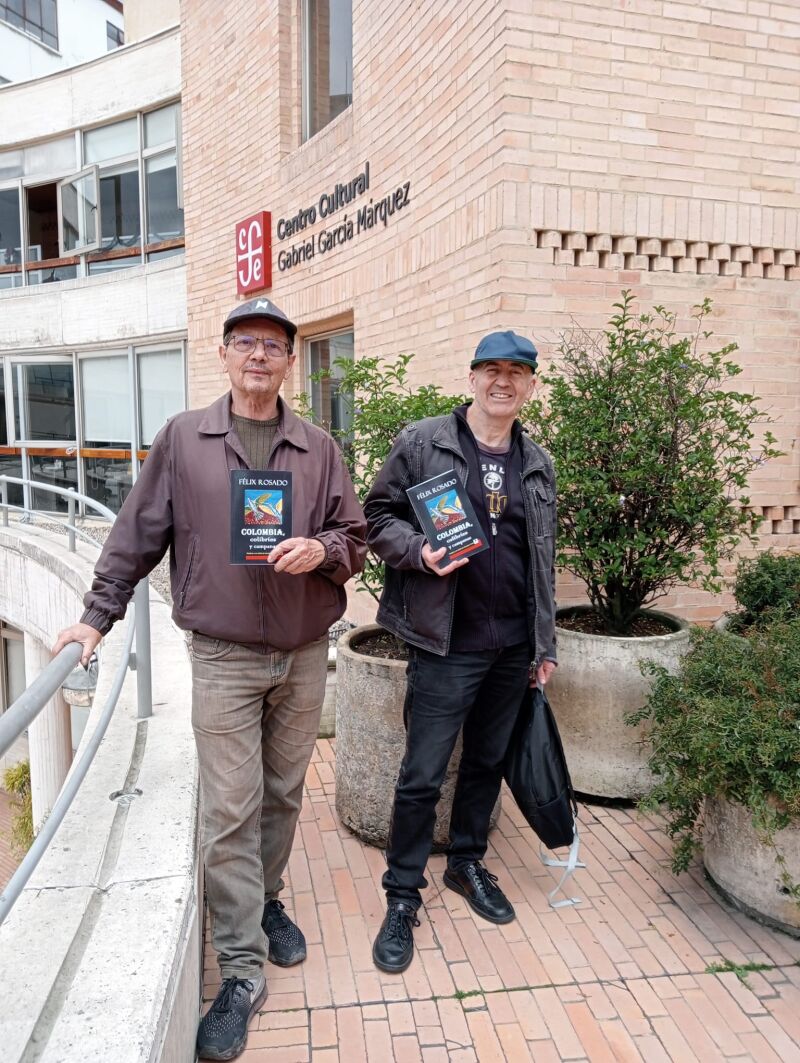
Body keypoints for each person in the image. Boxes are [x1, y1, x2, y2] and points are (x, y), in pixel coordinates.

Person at [53, 297, 366, 1060]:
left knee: (285, 792)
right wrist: (97, 617)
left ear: (291, 361)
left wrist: (320, 551)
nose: (259, 355)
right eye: (245, 343)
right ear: (224, 356)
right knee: (232, 804)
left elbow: (354, 536)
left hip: (300, 650)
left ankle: (262, 900)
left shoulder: (318, 446)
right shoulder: (184, 439)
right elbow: (137, 535)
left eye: (273, 345)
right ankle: (240, 968)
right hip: (222, 655)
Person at [363, 331, 557, 973]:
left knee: (486, 763)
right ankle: (401, 894)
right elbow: (377, 516)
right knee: (422, 774)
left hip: (512, 646)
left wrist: (544, 641)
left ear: (530, 385)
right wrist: (419, 552)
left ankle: (467, 864)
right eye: (492, 370)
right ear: (472, 377)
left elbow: (544, 559)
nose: (503, 382)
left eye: (517, 373)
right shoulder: (426, 441)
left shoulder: (537, 461)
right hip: (446, 643)